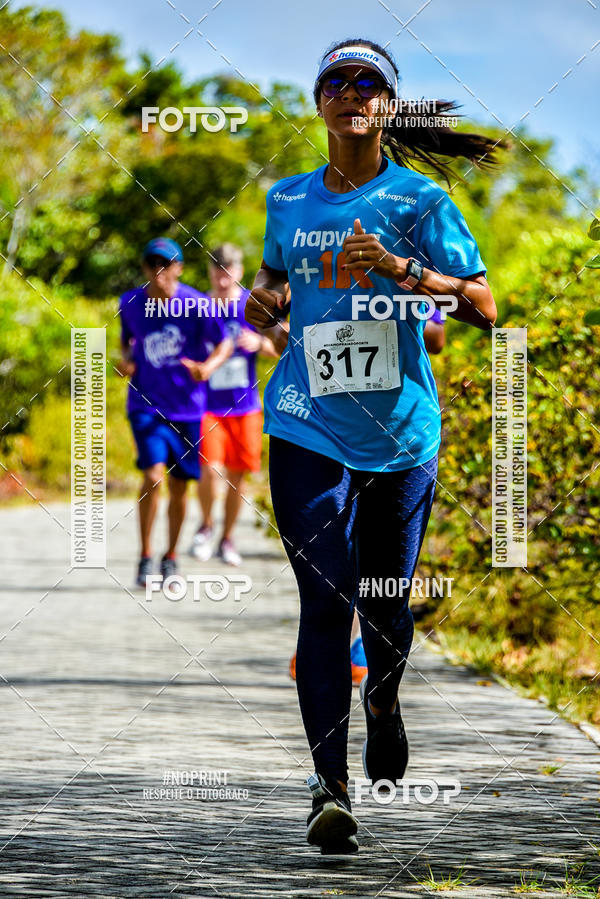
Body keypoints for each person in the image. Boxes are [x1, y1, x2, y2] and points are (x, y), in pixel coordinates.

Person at [245, 39, 500, 854]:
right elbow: (278, 287)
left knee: (385, 605)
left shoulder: (421, 202)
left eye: (369, 83)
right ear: (318, 102)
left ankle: (383, 702)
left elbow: (485, 307)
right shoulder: (287, 201)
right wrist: (266, 304)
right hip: (303, 420)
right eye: (336, 81)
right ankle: (330, 788)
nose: (352, 92)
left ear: (389, 105)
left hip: (399, 435)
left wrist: (400, 269)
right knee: (325, 600)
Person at [287, 311, 446, 684]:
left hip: (393, 430)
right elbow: (281, 328)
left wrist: (407, 317)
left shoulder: (410, 258)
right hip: (322, 429)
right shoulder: (310, 259)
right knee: (334, 548)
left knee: (377, 555)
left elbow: (437, 337)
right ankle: (334, 639)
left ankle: (361, 643)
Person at [117, 237, 232, 587]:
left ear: (179, 268)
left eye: (166, 264)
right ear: (145, 268)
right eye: (152, 264)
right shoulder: (131, 302)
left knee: (180, 487)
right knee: (153, 476)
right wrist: (124, 362)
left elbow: (225, 341)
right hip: (145, 404)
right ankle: (145, 555)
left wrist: (208, 368)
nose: (159, 272)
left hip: (187, 409)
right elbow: (126, 340)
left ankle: (170, 555)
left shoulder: (196, 304)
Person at [189, 244, 279, 566]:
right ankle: (205, 525)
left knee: (237, 476)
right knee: (210, 469)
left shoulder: (251, 304)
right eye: (217, 272)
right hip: (208, 406)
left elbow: (282, 344)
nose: (223, 279)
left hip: (245, 406)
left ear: (240, 272)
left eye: (228, 272)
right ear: (210, 273)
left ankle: (227, 538)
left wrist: (260, 343)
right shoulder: (198, 307)